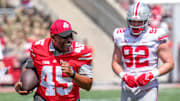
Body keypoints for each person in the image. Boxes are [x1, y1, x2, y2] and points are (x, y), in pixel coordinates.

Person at [15, 19, 93, 101]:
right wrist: (22, 84)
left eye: (71, 35)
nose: (69, 40)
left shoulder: (82, 52)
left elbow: (88, 86)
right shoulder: (38, 48)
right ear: (53, 37)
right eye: (65, 37)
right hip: (43, 98)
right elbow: (29, 68)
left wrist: (73, 74)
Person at [112, 2, 174, 101]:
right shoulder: (120, 35)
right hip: (127, 88)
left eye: (139, 22)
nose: (135, 25)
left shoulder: (156, 35)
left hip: (148, 89)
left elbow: (169, 63)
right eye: (132, 21)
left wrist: (151, 75)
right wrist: (124, 76)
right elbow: (115, 62)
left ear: (147, 20)